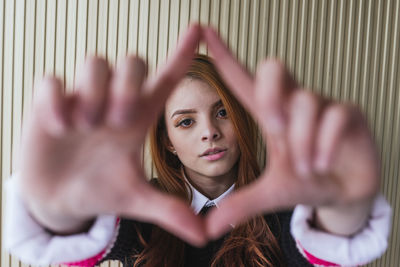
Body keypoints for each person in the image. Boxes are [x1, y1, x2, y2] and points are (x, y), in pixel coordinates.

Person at [4, 25, 391, 266]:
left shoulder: (288, 209)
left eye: (222, 112)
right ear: (168, 142)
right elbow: (85, 235)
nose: (209, 132)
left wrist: (344, 209)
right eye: (186, 121)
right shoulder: (141, 206)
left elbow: (323, 243)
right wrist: (58, 212)